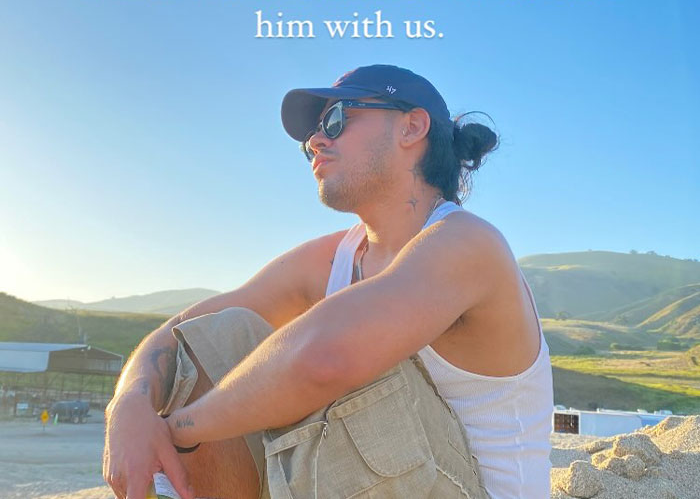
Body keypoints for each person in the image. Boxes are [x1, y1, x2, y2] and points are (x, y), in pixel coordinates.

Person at [104, 64, 553, 499]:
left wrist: (175, 431)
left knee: (351, 345)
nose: (316, 140)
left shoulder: (468, 243)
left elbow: (326, 358)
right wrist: (128, 405)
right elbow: (182, 331)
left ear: (412, 127)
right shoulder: (335, 256)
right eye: (310, 137)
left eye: (336, 120)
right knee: (222, 333)